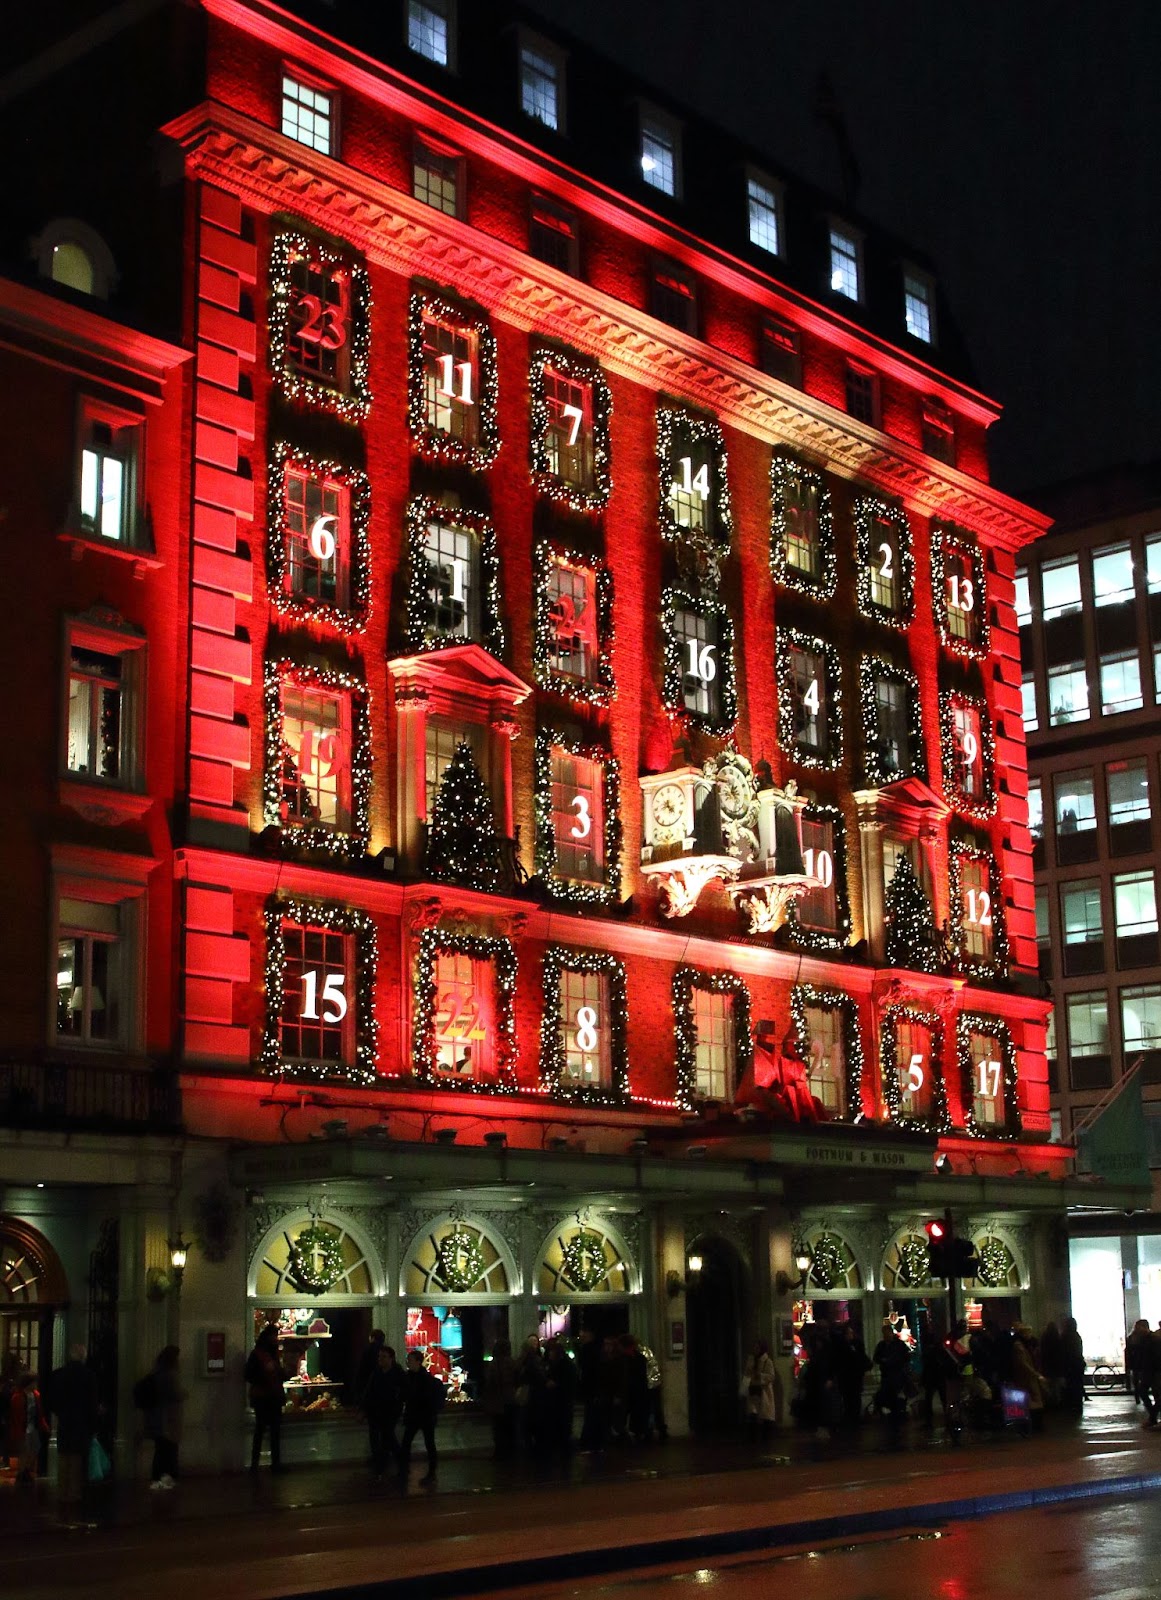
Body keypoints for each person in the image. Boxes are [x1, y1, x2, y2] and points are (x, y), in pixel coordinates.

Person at [48, 1345, 98, 1507]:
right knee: (76, 1458)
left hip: (65, 1419)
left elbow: (52, 1399)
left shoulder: (59, 1374)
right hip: (81, 1420)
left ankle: (63, 1491)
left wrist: (59, 1411)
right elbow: (91, 1402)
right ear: (83, 1356)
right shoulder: (88, 1375)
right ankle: (74, 1492)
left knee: (64, 1456)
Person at [245, 1325, 286, 1473]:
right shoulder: (259, 1355)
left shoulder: (268, 1354)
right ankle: (262, 1464)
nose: (276, 1339)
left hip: (269, 1397)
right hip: (265, 1397)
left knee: (268, 1431)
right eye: (274, 1336)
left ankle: (268, 1464)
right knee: (264, 1430)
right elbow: (249, 1375)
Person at [398, 1349, 441, 1483]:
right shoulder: (426, 1378)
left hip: (419, 1414)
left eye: (410, 1360)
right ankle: (429, 1472)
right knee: (426, 1443)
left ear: (418, 1362)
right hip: (423, 1415)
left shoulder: (411, 1378)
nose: (408, 1363)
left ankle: (405, 1470)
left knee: (409, 1442)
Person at [362, 1345, 404, 1477]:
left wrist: (398, 1402)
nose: (380, 1359)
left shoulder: (397, 1374)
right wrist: (364, 1409)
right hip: (375, 1411)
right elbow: (368, 1392)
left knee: (388, 1437)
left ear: (391, 1359)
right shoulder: (376, 1373)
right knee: (376, 1438)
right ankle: (381, 1465)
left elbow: (404, 1391)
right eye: (379, 1356)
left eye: (384, 1357)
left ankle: (390, 1464)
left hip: (390, 1411)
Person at [145, 1346, 184, 1490]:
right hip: (168, 1419)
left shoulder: (157, 1373)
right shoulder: (170, 1375)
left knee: (161, 1450)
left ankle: (159, 1478)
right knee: (169, 1450)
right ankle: (167, 1478)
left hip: (158, 1418)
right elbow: (175, 1395)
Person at [10, 1370, 49, 1483]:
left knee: (35, 1448)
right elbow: (16, 1416)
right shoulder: (17, 1397)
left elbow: (39, 1413)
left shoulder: (36, 1395)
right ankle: (22, 1472)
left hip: (32, 1427)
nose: (36, 1385)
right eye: (34, 1382)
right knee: (24, 1451)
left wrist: (43, 1425)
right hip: (23, 1429)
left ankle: (26, 1470)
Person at [482, 1338, 518, 1460]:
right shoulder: (512, 1363)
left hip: (497, 1400)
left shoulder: (495, 1364)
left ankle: (500, 1453)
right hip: (510, 1399)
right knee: (509, 1428)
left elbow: (490, 1382)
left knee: (498, 1428)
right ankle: (510, 1452)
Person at [873, 1319, 910, 1429]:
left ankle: (897, 1413)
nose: (886, 1336)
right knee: (888, 1394)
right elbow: (876, 1358)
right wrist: (883, 1361)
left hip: (897, 1374)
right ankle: (893, 1413)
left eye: (887, 1333)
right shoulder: (882, 1345)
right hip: (887, 1375)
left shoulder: (899, 1345)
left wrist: (896, 1362)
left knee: (896, 1395)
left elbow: (906, 1357)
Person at [1010, 1325, 1047, 1430]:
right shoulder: (1020, 1346)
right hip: (1026, 1378)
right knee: (1033, 1401)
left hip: (1027, 1377)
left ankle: (1033, 1424)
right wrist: (1036, 1374)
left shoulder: (1023, 1345)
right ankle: (1035, 1425)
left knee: (1032, 1401)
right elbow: (1023, 1364)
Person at [836, 1322, 871, 1427]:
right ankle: (851, 1417)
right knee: (849, 1398)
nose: (850, 1335)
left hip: (854, 1376)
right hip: (848, 1377)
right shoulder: (843, 1346)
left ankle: (854, 1417)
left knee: (854, 1398)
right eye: (848, 1333)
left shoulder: (855, 1345)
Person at [743, 1339, 776, 1440]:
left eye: (757, 1348)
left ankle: (764, 1436)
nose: (755, 1350)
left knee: (764, 1414)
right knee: (753, 1413)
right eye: (754, 1347)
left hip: (762, 1391)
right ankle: (753, 1436)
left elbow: (771, 1376)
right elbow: (746, 1373)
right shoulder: (751, 1360)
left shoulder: (767, 1361)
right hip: (753, 1389)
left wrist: (760, 1376)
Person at [1059, 1317, 1085, 1415]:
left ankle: (1070, 1405)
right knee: (1077, 1385)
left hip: (1068, 1367)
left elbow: (1062, 1353)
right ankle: (1077, 1405)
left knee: (1070, 1385)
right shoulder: (1077, 1336)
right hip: (1077, 1366)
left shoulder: (1064, 1336)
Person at [1127, 1318, 1152, 1407]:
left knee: (1138, 1384)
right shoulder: (1149, 1337)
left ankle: (1138, 1397)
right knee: (1144, 1386)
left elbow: (1128, 1353)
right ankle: (1152, 1413)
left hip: (1137, 1364)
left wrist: (1129, 1365)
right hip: (1145, 1365)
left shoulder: (1131, 1338)